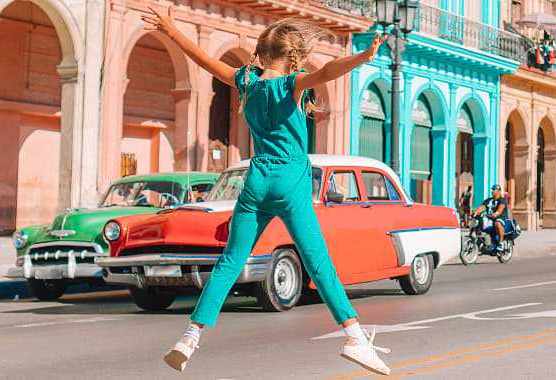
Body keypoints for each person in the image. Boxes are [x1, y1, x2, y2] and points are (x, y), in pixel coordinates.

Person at [143, 8, 391, 375]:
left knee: (230, 262)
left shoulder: (248, 81)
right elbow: (328, 71)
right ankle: (354, 336)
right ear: (293, 58)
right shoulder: (291, 84)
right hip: (290, 180)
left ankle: (189, 338)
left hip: (256, 178)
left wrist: (172, 28)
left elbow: (207, 61)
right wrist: (364, 58)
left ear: (262, 53)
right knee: (318, 263)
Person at [473, 185, 510, 252]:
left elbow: (500, 209)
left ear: (498, 191)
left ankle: (501, 243)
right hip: (490, 218)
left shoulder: (502, 200)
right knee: (478, 223)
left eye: (494, 189)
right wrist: (476, 212)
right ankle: (481, 241)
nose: (492, 191)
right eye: (492, 189)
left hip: (501, 218)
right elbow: (482, 207)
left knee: (497, 223)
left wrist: (496, 213)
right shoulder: (488, 200)